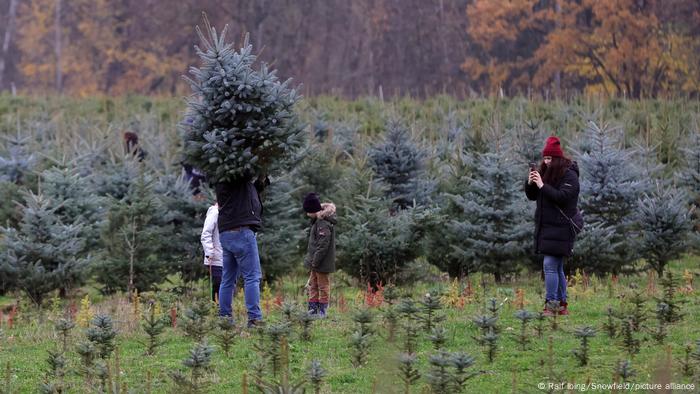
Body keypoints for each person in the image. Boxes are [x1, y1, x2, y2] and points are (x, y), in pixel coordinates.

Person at [525, 136, 580, 316]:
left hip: (563, 227)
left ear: (557, 158)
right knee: (556, 267)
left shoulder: (570, 175)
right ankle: (561, 304)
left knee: (549, 264)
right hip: (547, 227)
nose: (546, 162)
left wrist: (542, 185)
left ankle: (551, 304)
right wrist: (530, 183)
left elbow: (562, 197)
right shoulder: (545, 172)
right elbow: (533, 196)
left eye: (549, 159)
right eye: (545, 158)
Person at [216, 173, 269, 328]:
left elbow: (250, 190)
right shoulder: (236, 174)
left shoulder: (221, 177)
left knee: (227, 279)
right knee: (252, 277)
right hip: (242, 231)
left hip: (225, 232)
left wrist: (261, 180)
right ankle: (254, 319)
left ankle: (224, 318)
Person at [302, 192, 337, 318]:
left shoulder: (323, 224)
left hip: (321, 263)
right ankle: (313, 310)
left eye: (307, 211)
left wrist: (315, 262)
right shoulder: (317, 221)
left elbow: (322, 246)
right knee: (313, 285)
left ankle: (323, 311)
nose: (306, 214)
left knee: (323, 286)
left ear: (313, 210)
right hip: (315, 262)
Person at [201, 203, 223, 303]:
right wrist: (210, 252)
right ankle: (216, 311)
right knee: (218, 285)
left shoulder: (231, 210)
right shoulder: (215, 212)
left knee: (228, 286)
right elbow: (206, 233)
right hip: (216, 258)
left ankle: (225, 312)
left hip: (228, 256)